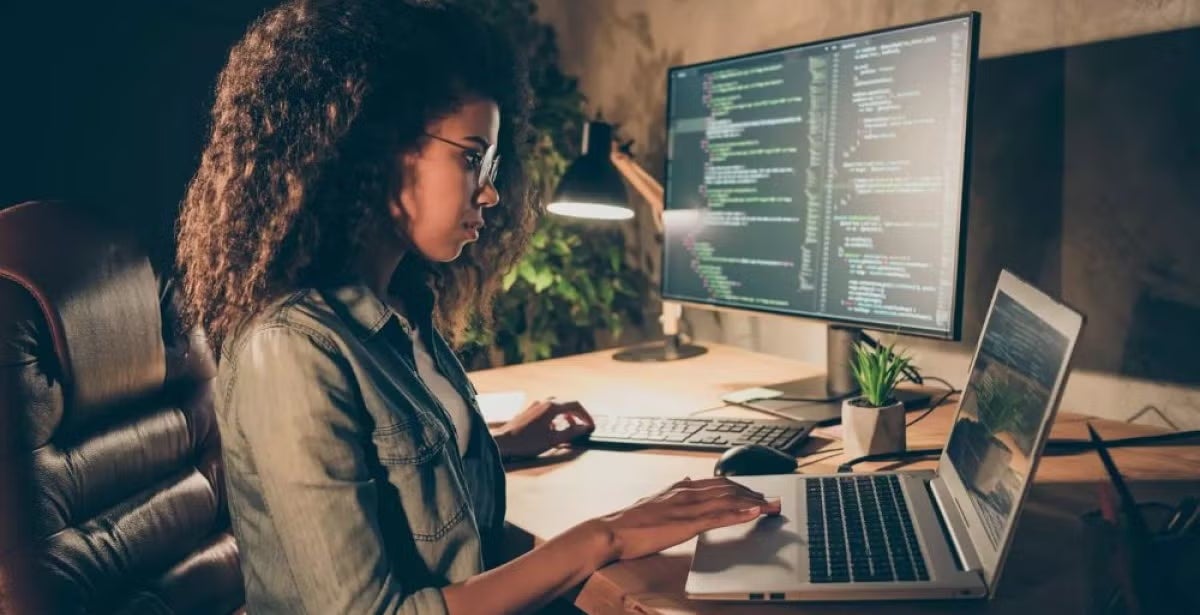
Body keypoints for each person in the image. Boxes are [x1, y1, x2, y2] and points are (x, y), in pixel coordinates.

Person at [175, 1, 780, 613]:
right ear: (372, 148)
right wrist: (609, 533)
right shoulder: (293, 349)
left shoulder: (399, 308)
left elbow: (393, 472)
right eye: (470, 157)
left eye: (489, 164)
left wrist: (500, 444)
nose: (489, 190)